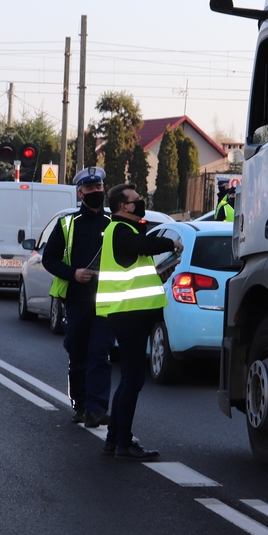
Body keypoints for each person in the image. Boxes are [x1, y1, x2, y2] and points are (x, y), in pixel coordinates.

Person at [95, 183, 181, 461]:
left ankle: (113, 440)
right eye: (136, 200)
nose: (140, 203)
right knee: (133, 381)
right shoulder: (121, 230)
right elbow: (144, 246)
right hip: (129, 314)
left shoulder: (123, 229)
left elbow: (137, 264)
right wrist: (172, 242)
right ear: (124, 206)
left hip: (131, 313)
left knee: (128, 380)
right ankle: (123, 442)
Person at [42, 166, 114, 427]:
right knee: (78, 352)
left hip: (105, 300)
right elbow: (48, 259)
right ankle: (81, 404)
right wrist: (74, 273)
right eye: (90, 189)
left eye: (99, 188)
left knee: (100, 353)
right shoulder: (67, 224)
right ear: (80, 193)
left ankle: (97, 408)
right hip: (76, 299)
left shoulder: (112, 224)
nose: (96, 192)